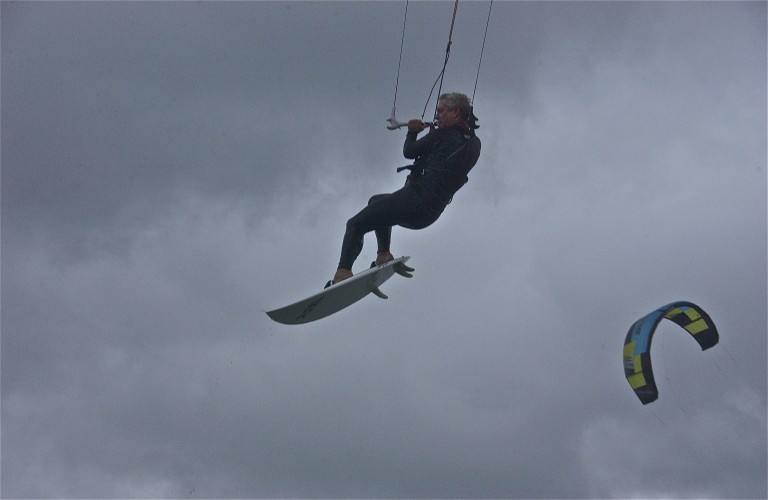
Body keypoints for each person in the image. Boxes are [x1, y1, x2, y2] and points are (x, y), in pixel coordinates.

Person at [328, 92, 481, 287]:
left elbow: (409, 151)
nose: (436, 116)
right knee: (376, 202)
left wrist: (412, 131)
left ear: (455, 112)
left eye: (440, 111)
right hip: (430, 214)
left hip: (414, 201)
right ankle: (384, 255)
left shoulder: (442, 135)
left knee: (355, 224)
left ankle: (343, 273)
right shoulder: (474, 144)